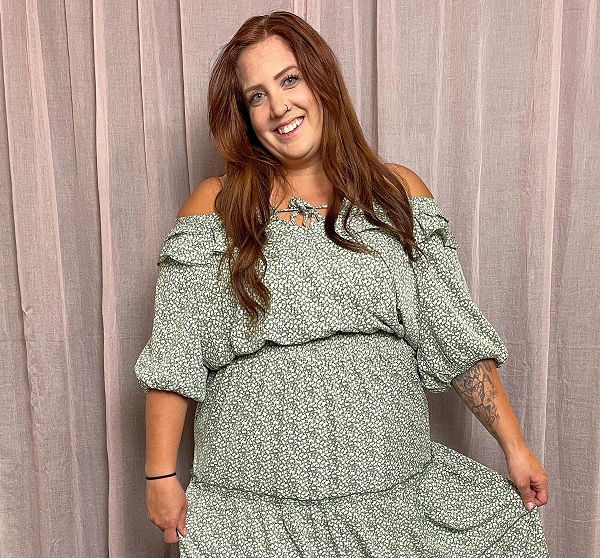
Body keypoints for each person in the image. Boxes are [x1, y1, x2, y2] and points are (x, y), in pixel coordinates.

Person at [134, 10, 549, 557]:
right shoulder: (215, 207)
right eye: (257, 96)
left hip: (394, 509)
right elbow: (175, 354)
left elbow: (453, 334)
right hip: (257, 520)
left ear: (321, 80)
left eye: (289, 79)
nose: (279, 107)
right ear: (244, 116)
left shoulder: (398, 195)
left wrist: (514, 446)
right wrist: (160, 474)